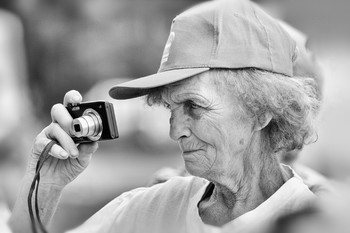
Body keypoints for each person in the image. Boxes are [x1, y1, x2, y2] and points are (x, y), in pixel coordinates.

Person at [9, 0, 327, 232]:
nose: (175, 132)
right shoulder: (152, 207)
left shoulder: (316, 221)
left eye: (194, 106)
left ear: (262, 110)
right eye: (171, 109)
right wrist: (46, 186)